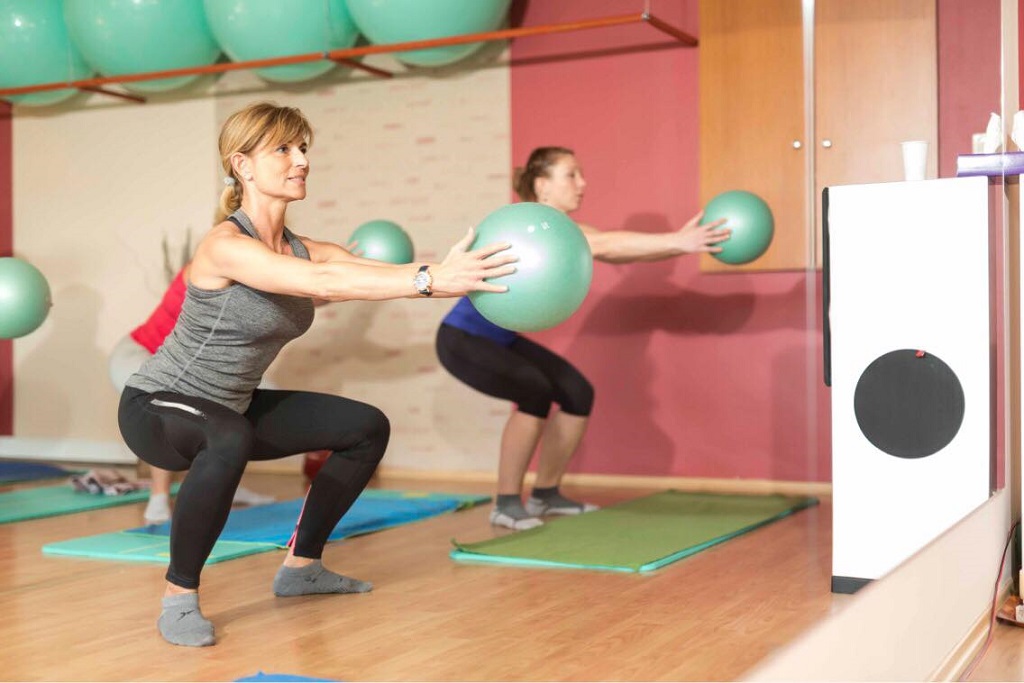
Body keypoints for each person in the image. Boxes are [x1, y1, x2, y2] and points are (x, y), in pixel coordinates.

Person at [117, 101, 515, 648]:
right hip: (158, 405)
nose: (301, 159)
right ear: (242, 165)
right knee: (227, 435)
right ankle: (178, 596)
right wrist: (430, 281)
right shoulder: (224, 246)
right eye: (283, 148)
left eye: (303, 148)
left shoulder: (305, 250)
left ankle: (302, 567)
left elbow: (375, 273)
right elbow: (326, 282)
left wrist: (447, 273)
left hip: (230, 407)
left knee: (365, 427)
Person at [435, 146, 730, 531]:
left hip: (498, 339)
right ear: (542, 185)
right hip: (462, 338)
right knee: (534, 391)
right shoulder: (533, 225)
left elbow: (613, 249)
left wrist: (679, 243)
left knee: (577, 392)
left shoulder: (562, 231)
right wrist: (680, 241)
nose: (582, 183)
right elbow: (605, 246)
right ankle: (505, 504)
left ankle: (545, 494)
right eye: (571, 174)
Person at [108, 263, 275, 524]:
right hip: (140, 350)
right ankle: (159, 496)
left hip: (185, 361)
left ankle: (224, 485)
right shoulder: (202, 270)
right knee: (167, 405)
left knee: (242, 399)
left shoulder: (248, 279)